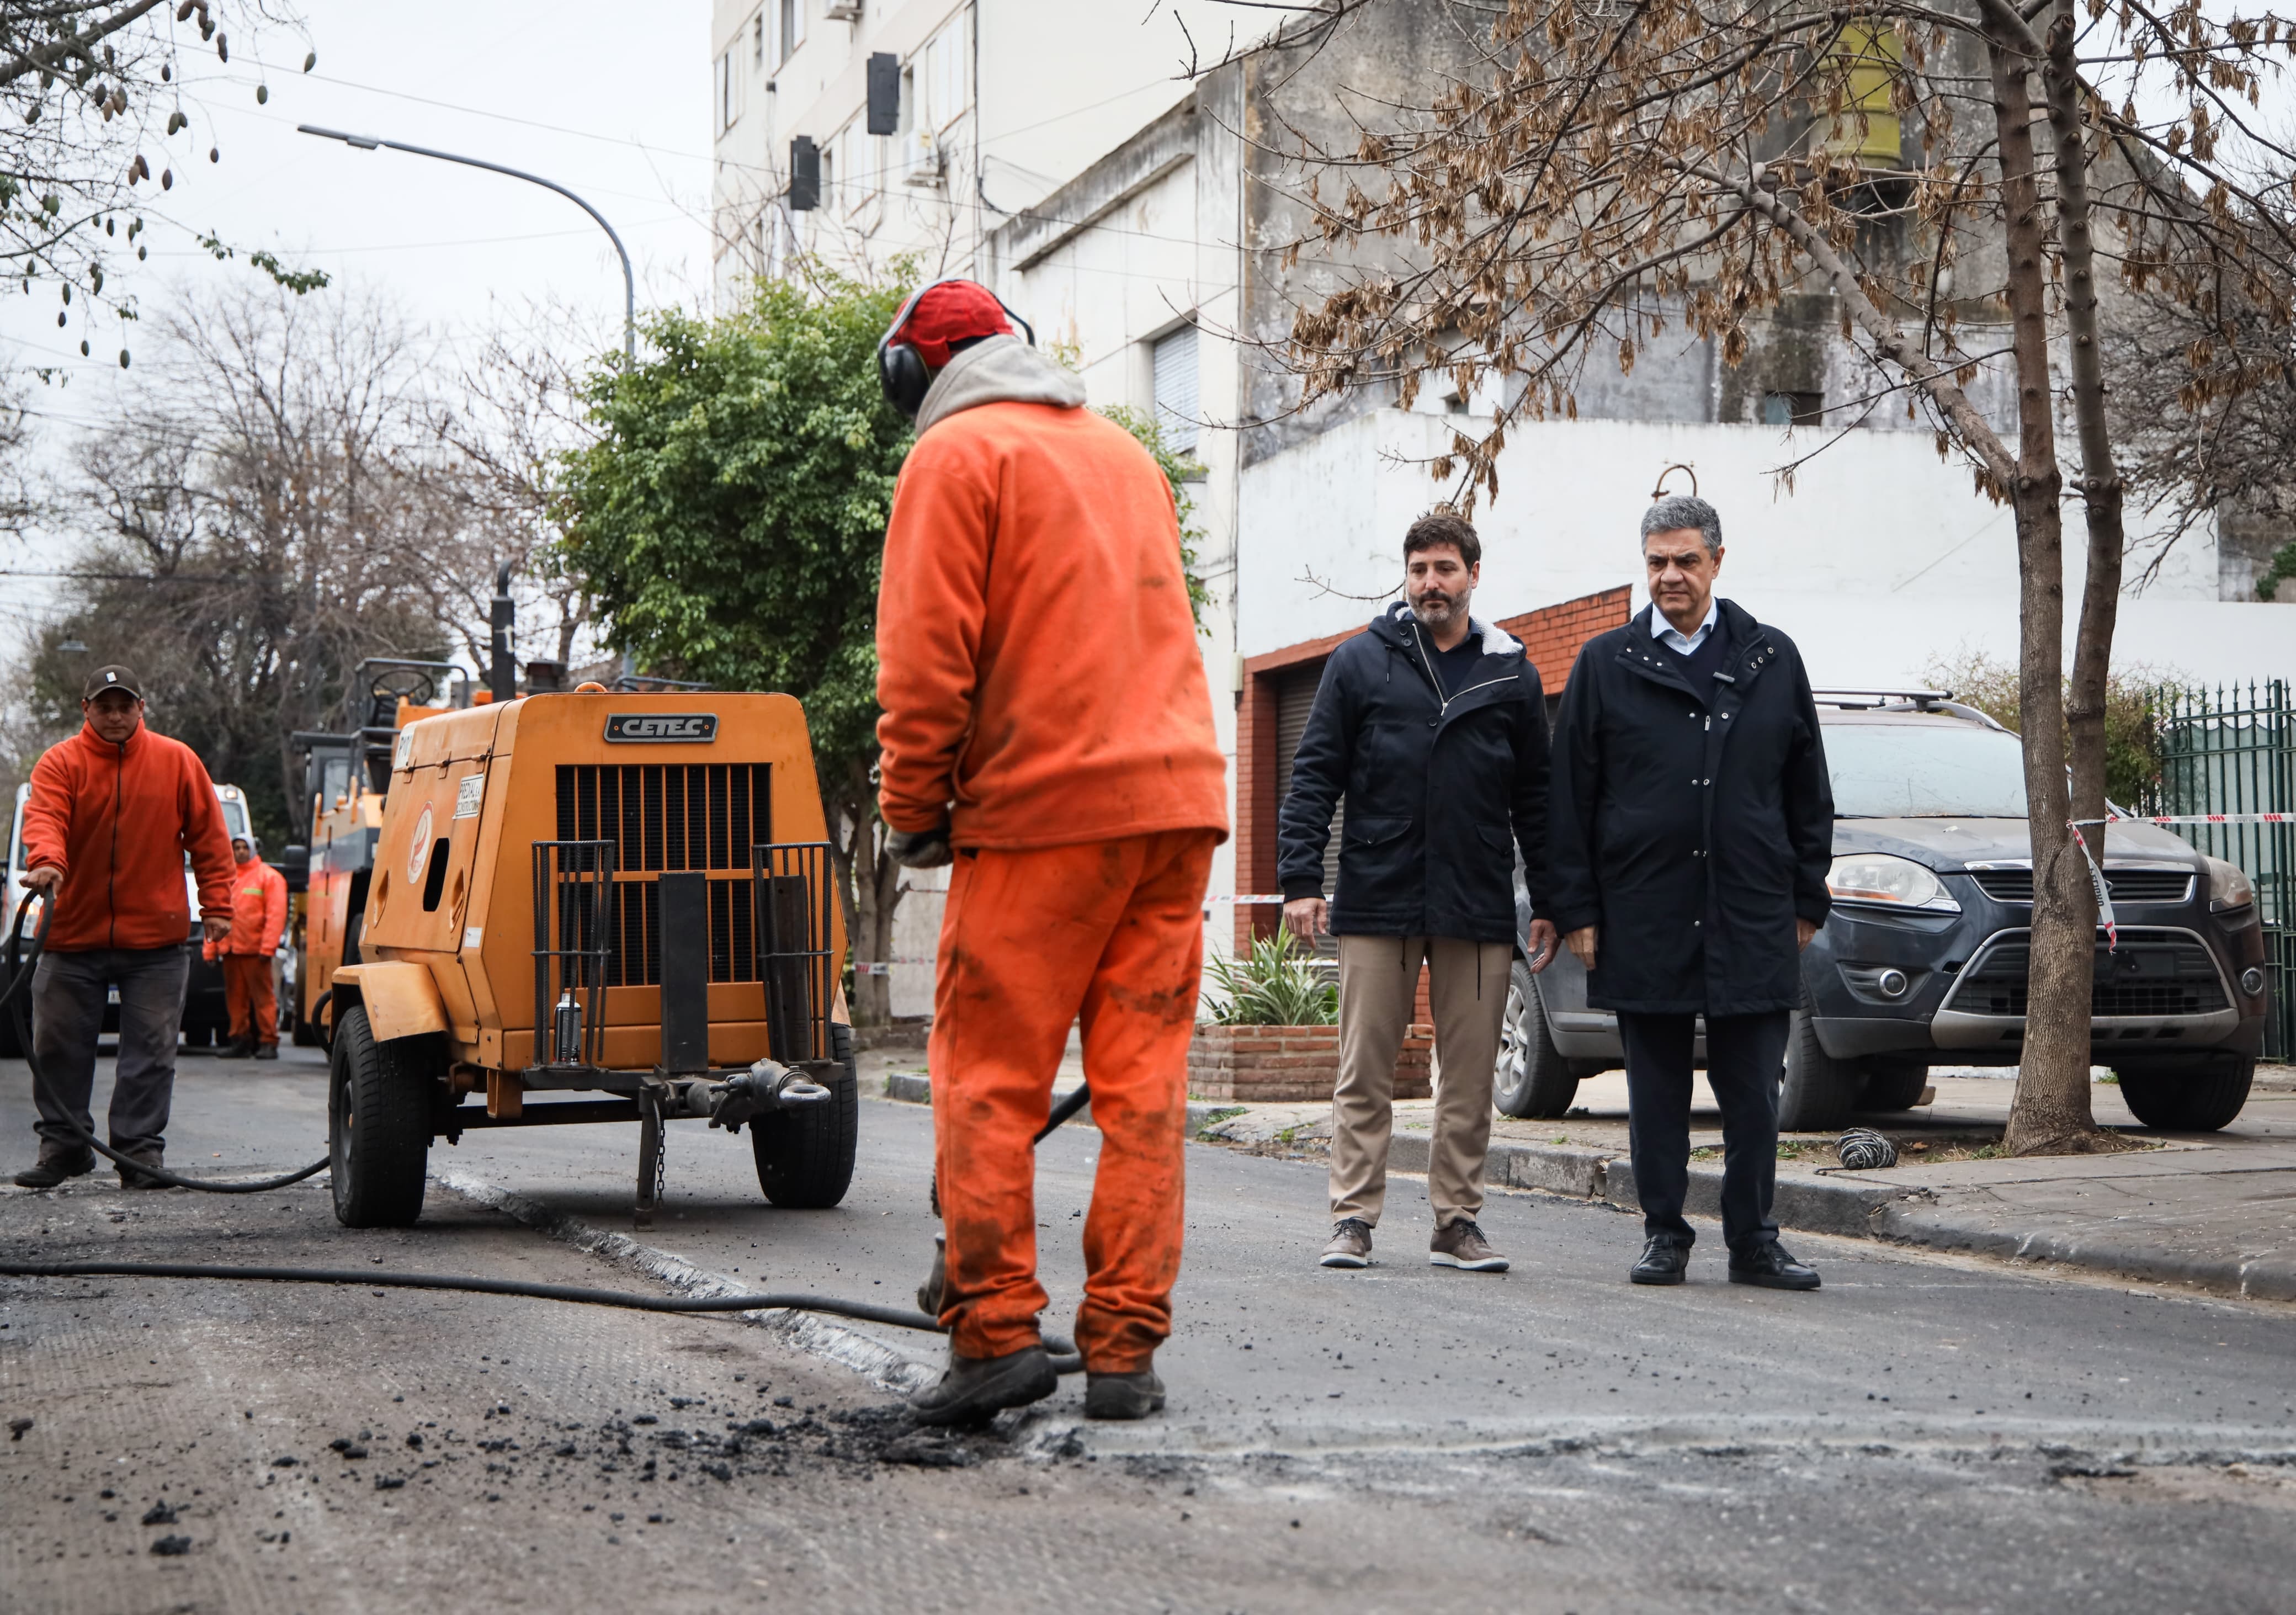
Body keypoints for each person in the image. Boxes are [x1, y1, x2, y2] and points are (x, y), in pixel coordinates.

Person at [874, 280, 1229, 1425]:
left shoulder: (954, 456)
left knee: (984, 1081)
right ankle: (1124, 1351)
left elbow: (927, 664)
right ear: (1015, 348)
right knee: (1144, 1093)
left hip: (1042, 817)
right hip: (1175, 810)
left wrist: (914, 803)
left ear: (911, 377)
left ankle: (993, 1336)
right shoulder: (1124, 455)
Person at [1546, 495, 1835, 1290]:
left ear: (1717, 560)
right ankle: (1664, 1234)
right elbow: (1570, 798)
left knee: (1752, 1092)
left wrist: (1807, 896)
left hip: (1751, 908)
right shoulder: (1606, 664)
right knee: (1657, 1092)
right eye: (1656, 562)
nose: (1670, 576)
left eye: (1685, 560)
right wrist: (1576, 909)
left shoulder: (1773, 658)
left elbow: (1807, 789)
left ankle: (1755, 1241)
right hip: (1644, 909)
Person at [1278, 512, 1558, 1274]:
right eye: (1419, 569)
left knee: (1467, 1076)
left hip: (1475, 897)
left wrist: (1555, 901)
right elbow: (1313, 776)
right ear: (1406, 578)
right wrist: (1302, 879)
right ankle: (1353, 1217)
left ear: (1474, 574)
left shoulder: (1511, 670)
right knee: (1364, 1069)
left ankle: (1456, 1219)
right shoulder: (1359, 663)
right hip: (1377, 893)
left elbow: (1538, 799)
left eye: (1445, 568)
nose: (1431, 583)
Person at [12, 666, 236, 1189]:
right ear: (85, 708)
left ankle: (138, 1155)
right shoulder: (60, 762)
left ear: (142, 708)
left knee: (151, 1051)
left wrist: (218, 907)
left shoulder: (178, 761)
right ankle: (65, 1148)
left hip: (156, 941)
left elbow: (209, 839)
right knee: (58, 1047)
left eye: (125, 705)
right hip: (70, 935)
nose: (115, 716)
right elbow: (45, 817)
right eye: (105, 706)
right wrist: (48, 862)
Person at [203, 833, 289, 1060]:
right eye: (236, 848)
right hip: (231, 951)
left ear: (253, 849)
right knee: (235, 1000)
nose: (240, 852)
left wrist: (268, 947)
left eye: (244, 848)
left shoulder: (269, 878)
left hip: (255, 951)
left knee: (263, 999)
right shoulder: (227, 880)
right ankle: (239, 1040)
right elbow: (215, 914)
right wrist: (210, 948)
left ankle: (269, 1042)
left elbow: (276, 915)